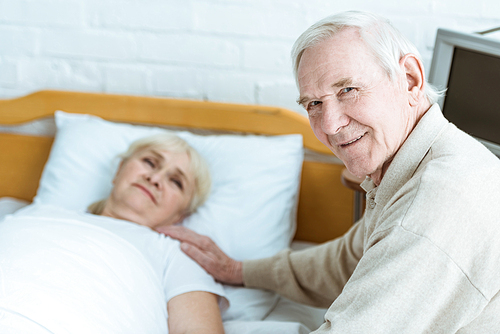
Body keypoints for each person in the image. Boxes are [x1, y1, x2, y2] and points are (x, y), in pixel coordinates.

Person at [157, 10, 500, 333]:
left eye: (347, 90)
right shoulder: (409, 165)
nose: (331, 125)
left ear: (410, 79)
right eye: (314, 104)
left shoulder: (432, 206)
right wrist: (237, 271)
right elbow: (346, 261)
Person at [0, 133, 226, 334]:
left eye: (176, 181)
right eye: (150, 162)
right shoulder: (39, 213)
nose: (155, 179)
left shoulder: (175, 254)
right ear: (119, 170)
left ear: (181, 215)